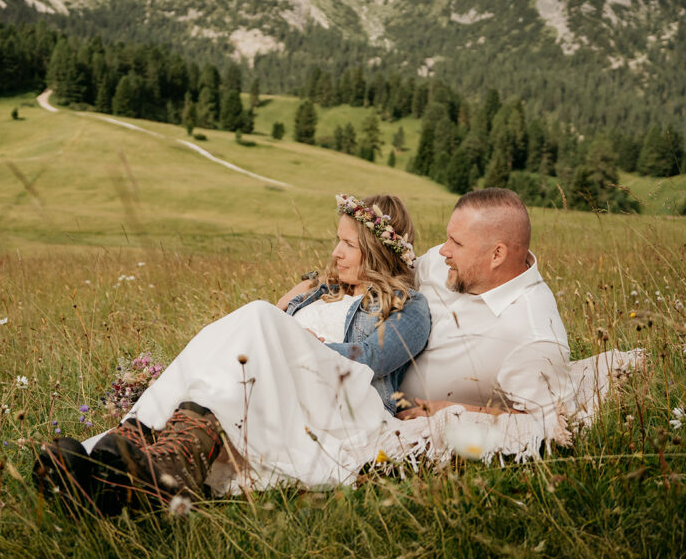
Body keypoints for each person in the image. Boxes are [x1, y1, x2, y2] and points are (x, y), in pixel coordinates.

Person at [34, 193, 430, 512]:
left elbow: (370, 359)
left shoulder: (407, 305)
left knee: (255, 313)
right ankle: (130, 454)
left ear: (378, 250)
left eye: (348, 244)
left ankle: (148, 446)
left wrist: (300, 339)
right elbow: (261, 328)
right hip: (278, 386)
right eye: (337, 240)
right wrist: (297, 300)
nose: (335, 253)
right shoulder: (320, 292)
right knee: (242, 323)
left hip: (340, 399)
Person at [394, 187, 573, 457]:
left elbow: (546, 424)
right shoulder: (443, 263)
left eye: (457, 243)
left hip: (395, 425)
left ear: (497, 255)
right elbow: (389, 283)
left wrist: (454, 412)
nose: (443, 250)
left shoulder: (534, 333)